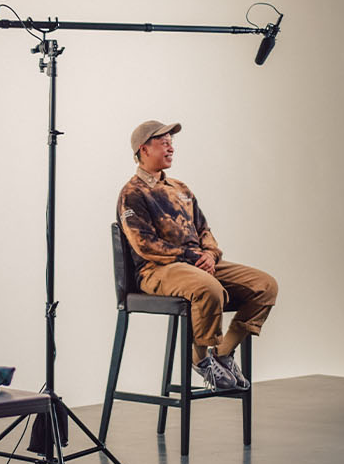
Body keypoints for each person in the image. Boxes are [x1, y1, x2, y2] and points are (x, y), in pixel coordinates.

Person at [117, 121, 278, 393]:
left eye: (171, 141)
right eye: (163, 142)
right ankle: (200, 359)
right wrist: (192, 256)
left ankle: (223, 354)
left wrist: (211, 255)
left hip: (197, 265)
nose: (171, 146)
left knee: (264, 286)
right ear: (144, 150)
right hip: (157, 270)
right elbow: (145, 244)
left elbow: (204, 229)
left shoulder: (181, 188)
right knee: (208, 288)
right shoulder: (132, 194)